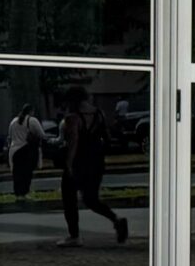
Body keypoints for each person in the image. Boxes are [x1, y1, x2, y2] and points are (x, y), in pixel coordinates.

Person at [58, 89, 126, 247]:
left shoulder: (72, 117)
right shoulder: (99, 113)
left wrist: (68, 165)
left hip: (79, 161)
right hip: (96, 160)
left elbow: (73, 143)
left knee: (69, 198)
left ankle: (74, 236)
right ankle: (116, 219)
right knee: (91, 199)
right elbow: (106, 136)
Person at [7, 106, 45, 199]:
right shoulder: (32, 120)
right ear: (31, 111)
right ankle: (25, 192)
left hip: (14, 150)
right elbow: (41, 134)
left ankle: (18, 193)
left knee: (17, 173)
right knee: (27, 173)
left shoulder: (13, 121)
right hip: (26, 150)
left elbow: (9, 137)